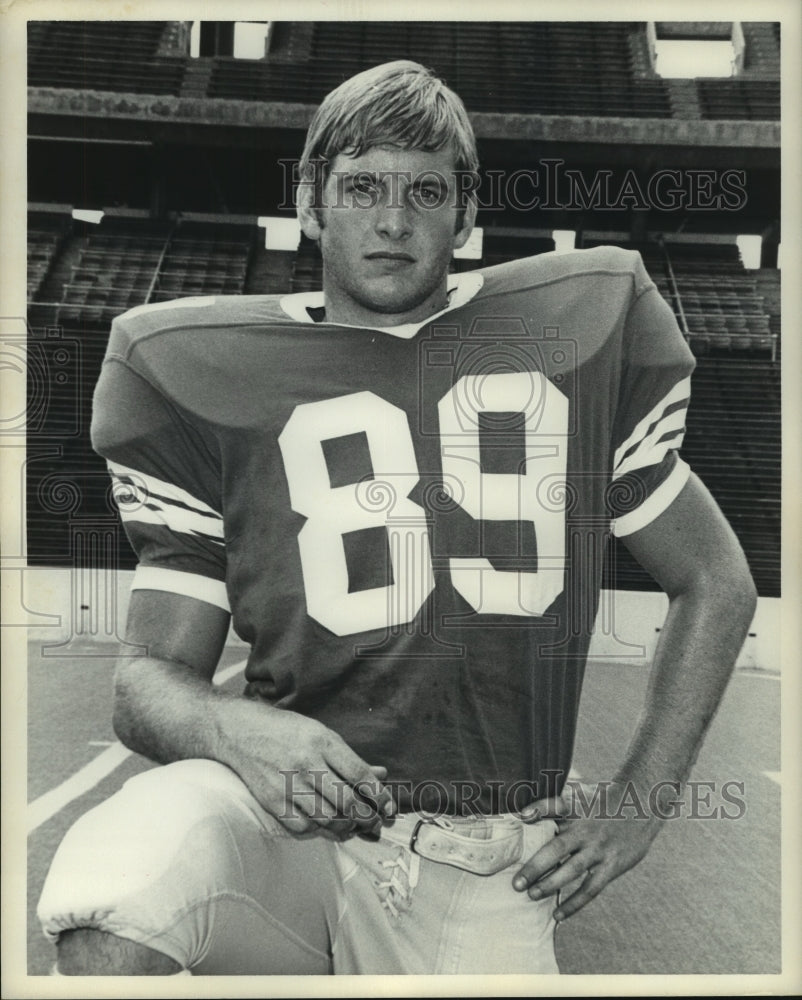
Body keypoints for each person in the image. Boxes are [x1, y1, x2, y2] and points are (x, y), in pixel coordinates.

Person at [37, 59, 757, 976]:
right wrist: (233, 730)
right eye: (361, 187)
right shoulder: (193, 369)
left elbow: (715, 579)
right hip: (279, 816)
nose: (392, 219)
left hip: (479, 855)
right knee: (111, 894)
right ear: (309, 204)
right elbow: (147, 679)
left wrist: (641, 800)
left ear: (466, 213)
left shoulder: (575, 333)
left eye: (426, 191)